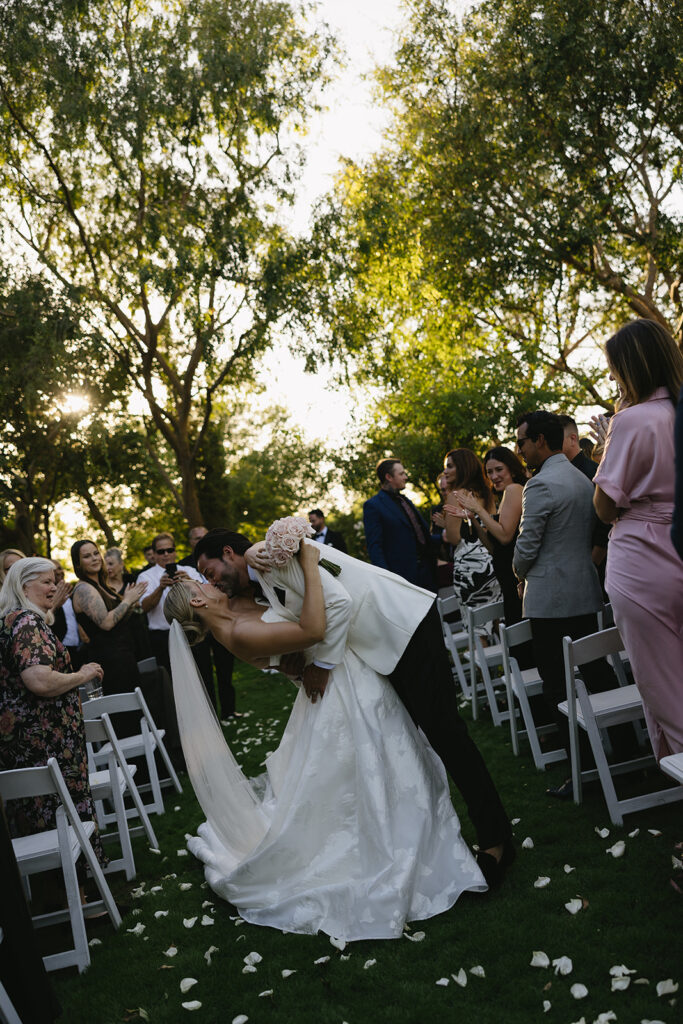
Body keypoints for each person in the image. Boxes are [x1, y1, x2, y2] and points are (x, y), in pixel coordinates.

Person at [164, 532, 487, 940]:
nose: (208, 583)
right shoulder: (238, 634)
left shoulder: (239, 610)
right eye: (201, 583)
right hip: (337, 685)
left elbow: (287, 649)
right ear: (197, 602)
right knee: (366, 769)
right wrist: (311, 563)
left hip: (341, 676)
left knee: (367, 767)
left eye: (206, 574)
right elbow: (314, 628)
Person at [513, 411, 619, 798]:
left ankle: (582, 771)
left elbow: (528, 544)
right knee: (598, 674)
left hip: (549, 600)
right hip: (584, 590)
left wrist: (517, 572)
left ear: (541, 440)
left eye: (522, 442)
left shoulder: (540, 485)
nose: (520, 450)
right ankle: (624, 754)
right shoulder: (581, 478)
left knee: (558, 688)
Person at [592, 319, 683, 760]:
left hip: (641, 560)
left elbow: (604, 507)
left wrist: (608, 446)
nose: (612, 378)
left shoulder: (630, 421)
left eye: (614, 369)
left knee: (666, 690)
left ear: (631, 367)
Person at [0, 557, 105, 862]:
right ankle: (82, 899)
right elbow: (40, 681)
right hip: (45, 740)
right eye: (46, 581)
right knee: (60, 811)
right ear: (23, 586)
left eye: (54, 580)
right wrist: (82, 675)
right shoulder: (27, 622)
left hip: (30, 738)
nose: (53, 587)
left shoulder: (11, 621)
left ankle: (63, 899)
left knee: (37, 815)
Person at [454, 446, 528, 630]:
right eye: (489, 472)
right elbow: (494, 549)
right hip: (506, 579)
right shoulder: (504, 495)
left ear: (511, 468)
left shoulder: (514, 489)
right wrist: (473, 519)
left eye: (499, 470)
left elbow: (504, 536)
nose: (494, 476)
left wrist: (479, 510)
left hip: (515, 580)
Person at [70, 539, 148, 693]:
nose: (94, 558)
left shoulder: (102, 585)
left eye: (96, 553)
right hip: (110, 661)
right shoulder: (84, 589)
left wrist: (131, 603)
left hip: (125, 656)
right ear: (78, 564)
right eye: (87, 556)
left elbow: (118, 619)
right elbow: (106, 623)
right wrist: (127, 600)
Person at [179, 526, 237, 718]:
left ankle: (229, 709)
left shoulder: (218, 558)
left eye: (204, 537)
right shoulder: (183, 565)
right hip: (199, 623)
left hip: (218, 619)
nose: (200, 540)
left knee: (225, 667)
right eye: (196, 538)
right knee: (204, 672)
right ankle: (210, 714)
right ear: (190, 542)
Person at [363, 458, 438, 590]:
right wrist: (389, 580)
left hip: (428, 573)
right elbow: (375, 547)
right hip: (403, 580)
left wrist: (443, 537)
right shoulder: (373, 506)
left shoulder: (406, 500)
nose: (406, 477)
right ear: (388, 477)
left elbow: (420, 535)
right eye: (401, 474)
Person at [137, 533, 204, 673]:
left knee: (203, 675)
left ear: (175, 551)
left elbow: (207, 597)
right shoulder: (145, 577)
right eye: (161, 551)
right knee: (172, 680)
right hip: (163, 638)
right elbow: (145, 607)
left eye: (170, 550)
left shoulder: (189, 571)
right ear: (154, 554)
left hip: (192, 631)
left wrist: (190, 582)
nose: (166, 554)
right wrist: (160, 588)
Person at [443, 448, 502, 608]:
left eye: (450, 466)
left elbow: (454, 537)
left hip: (470, 566)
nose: (445, 471)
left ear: (462, 467)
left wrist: (447, 527)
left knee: (478, 627)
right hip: (493, 563)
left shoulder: (456, 495)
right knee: (498, 621)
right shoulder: (487, 493)